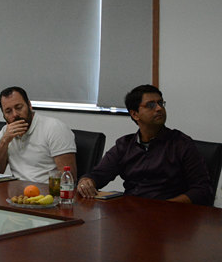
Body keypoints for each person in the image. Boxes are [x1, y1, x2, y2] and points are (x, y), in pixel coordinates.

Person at [77, 84, 213, 205]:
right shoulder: (124, 145)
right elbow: (99, 175)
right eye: (151, 105)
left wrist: (166, 206)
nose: (159, 108)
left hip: (169, 215)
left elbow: (202, 190)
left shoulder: (181, 144)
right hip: (132, 213)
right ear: (135, 114)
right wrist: (87, 181)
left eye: (160, 103)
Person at [0, 86, 76, 183]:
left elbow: (69, 178)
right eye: (8, 111)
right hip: (17, 190)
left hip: (46, 190)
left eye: (19, 107)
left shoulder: (54, 128)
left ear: (29, 105)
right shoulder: (5, 132)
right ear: (3, 115)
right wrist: (4, 141)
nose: (15, 114)